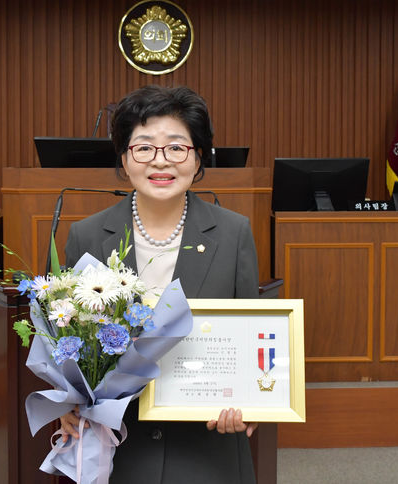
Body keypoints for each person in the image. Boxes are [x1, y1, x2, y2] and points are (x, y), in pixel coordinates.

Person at [61, 85, 259, 484]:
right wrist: (70, 399)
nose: (161, 161)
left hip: (205, 444)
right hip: (120, 444)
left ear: (198, 156)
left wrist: (251, 399)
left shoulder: (234, 232)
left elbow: (247, 333)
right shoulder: (86, 236)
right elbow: (70, 338)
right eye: (145, 147)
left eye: (176, 147)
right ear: (124, 158)